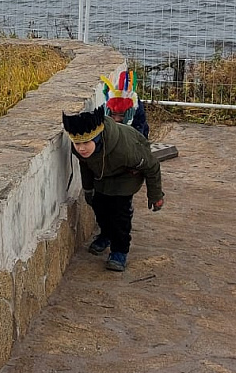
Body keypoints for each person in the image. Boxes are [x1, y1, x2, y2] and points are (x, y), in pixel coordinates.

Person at [62, 103, 164, 272]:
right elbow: (85, 166)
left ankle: (119, 251)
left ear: (97, 137)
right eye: (76, 143)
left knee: (119, 214)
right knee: (100, 207)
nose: (81, 148)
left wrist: (156, 196)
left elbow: (152, 166)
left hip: (126, 175)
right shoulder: (80, 150)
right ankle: (106, 235)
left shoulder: (126, 150)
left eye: (86, 142)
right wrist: (88, 189)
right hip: (102, 175)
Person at [101, 69, 149, 137]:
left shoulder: (138, 114)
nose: (117, 119)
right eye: (114, 114)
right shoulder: (104, 110)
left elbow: (139, 138)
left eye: (122, 115)